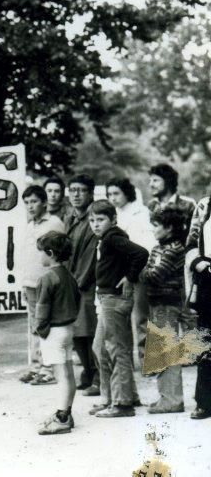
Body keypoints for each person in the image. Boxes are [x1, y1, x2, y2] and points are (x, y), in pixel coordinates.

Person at [87, 200, 149, 418]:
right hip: (107, 298)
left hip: (114, 299)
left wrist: (129, 277)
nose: (95, 224)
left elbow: (141, 253)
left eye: (100, 220)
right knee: (100, 347)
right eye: (92, 220)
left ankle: (123, 404)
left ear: (113, 219)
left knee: (117, 349)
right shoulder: (106, 239)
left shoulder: (113, 237)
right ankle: (123, 396)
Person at [139, 207, 188, 414]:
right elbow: (149, 270)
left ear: (169, 228)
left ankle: (172, 400)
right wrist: (145, 271)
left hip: (168, 304)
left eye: (157, 225)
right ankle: (166, 397)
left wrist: (139, 271)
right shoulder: (159, 249)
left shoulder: (174, 249)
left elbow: (154, 275)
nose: (153, 229)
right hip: (156, 303)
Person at [106, 177, 157, 366]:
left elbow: (147, 245)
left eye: (116, 193)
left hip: (138, 269)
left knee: (141, 316)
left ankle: (147, 358)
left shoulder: (141, 213)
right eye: (110, 194)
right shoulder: (112, 215)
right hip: (117, 272)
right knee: (121, 315)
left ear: (127, 193)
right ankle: (125, 359)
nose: (113, 198)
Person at [34, 231, 80, 435]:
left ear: (50, 253)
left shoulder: (47, 278)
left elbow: (42, 307)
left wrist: (40, 329)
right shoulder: (68, 276)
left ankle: (62, 418)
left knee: (61, 377)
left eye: (42, 252)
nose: (40, 257)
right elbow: (77, 300)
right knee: (69, 375)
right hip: (69, 328)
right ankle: (67, 413)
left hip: (54, 331)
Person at [19, 185, 65, 385]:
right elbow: (26, 257)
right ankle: (36, 366)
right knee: (34, 326)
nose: (30, 206)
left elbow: (61, 254)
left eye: (34, 201)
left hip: (47, 282)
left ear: (44, 203)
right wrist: (23, 282)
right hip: (30, 283)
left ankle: (49, 369)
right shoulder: (29, 226)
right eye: (27, 202)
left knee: (48, 325)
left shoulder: (54, 223)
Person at [63, 174, 100, 395]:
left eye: (82, 190)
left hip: (87, 283)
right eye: (73, 190)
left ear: (90, 193)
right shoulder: (70, 219)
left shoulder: (93, 219)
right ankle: (87, 370)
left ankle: (96, 375)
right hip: (71, 282)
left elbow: (90, 256)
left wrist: (79, 283)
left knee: (90, 331)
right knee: (76, 331)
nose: (76, 195)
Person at [186, 193, 211, 420]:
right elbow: (191, 243)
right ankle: (204, 401)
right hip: (208, 280)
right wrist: (199, 263)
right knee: (206, 342)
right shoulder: (204, 205)